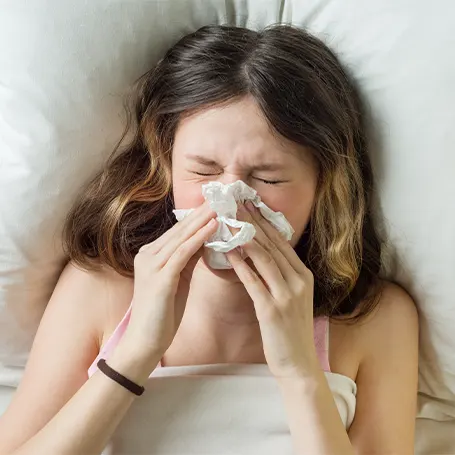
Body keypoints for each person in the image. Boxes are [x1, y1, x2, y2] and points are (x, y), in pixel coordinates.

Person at [0, 24, 418, 454]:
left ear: (323, 187)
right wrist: (137, 352)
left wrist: (299, 372)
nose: (230, 204)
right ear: (167, 165)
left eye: (268, 177)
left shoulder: (376, 321)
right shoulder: (99, 290)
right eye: (203, 171)